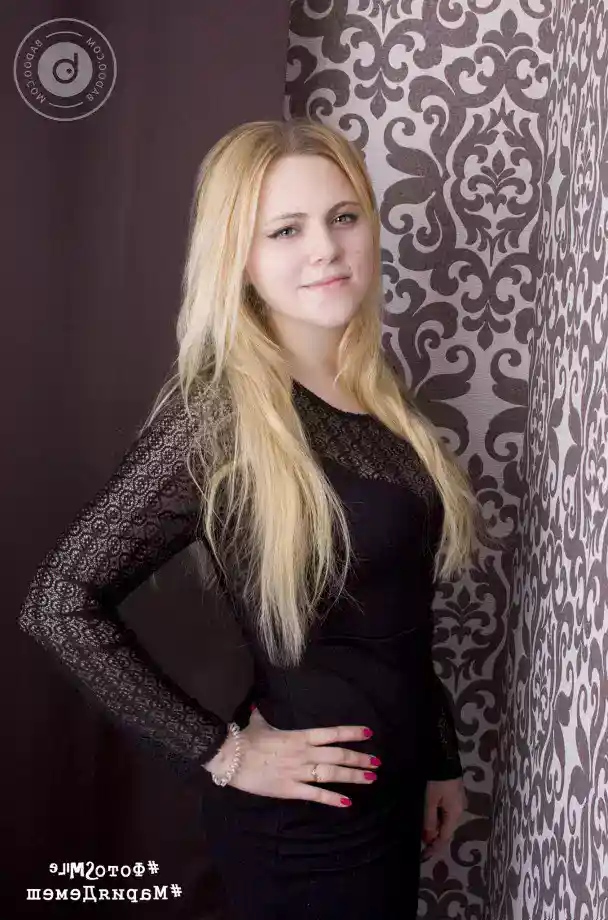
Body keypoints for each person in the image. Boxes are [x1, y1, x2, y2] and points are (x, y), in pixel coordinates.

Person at [18, 117, 487, 919]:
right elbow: (57, 603)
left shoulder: (379, 400)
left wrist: (438, 758)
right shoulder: (220, 415)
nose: (326, 249)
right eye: (286, 230)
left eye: (344, 217)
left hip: (393, 791)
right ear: (240, 257)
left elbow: (400, 615)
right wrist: (224, 754)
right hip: (306, 829)